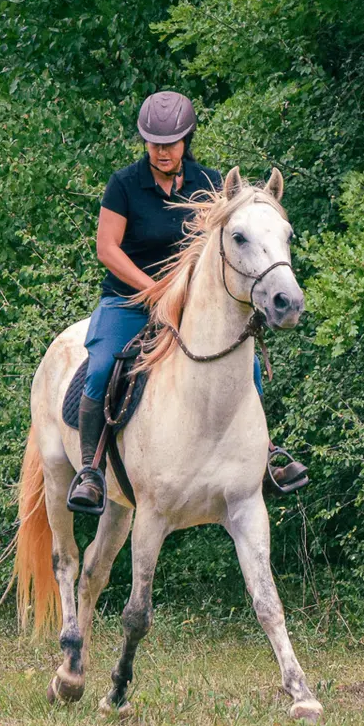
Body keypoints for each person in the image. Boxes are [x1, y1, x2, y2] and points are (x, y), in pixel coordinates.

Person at [67, 91, 306, 515]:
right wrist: (152, 289)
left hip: (190, 303)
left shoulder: (210, 182)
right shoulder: (124, 185)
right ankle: (90, 470)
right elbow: (107, 248)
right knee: (102, 364)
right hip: (129, 300)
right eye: (155, 142)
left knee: (246, 363)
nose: (163, 151)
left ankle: (266, 452)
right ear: (145, 142)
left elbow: (226, 243)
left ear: (186, 140)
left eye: (171, 142)